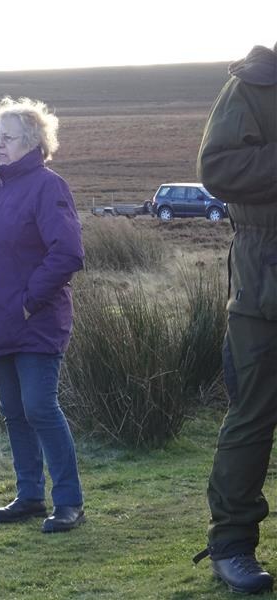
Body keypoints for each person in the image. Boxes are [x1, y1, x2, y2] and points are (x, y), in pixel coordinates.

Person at [0, 97, 85, 533]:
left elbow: (67, 252)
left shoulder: (48, 187)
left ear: (32, 142)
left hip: (36, 321)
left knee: (39, 407)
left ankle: (69, 501)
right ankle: (30, 495)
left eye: (8, 138)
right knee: (14, 411)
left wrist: (29, 301)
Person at [193, 43, 276, 595]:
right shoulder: (253, 85)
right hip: (266, 283)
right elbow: (218, 167)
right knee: (252, 416)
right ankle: (231, 545)